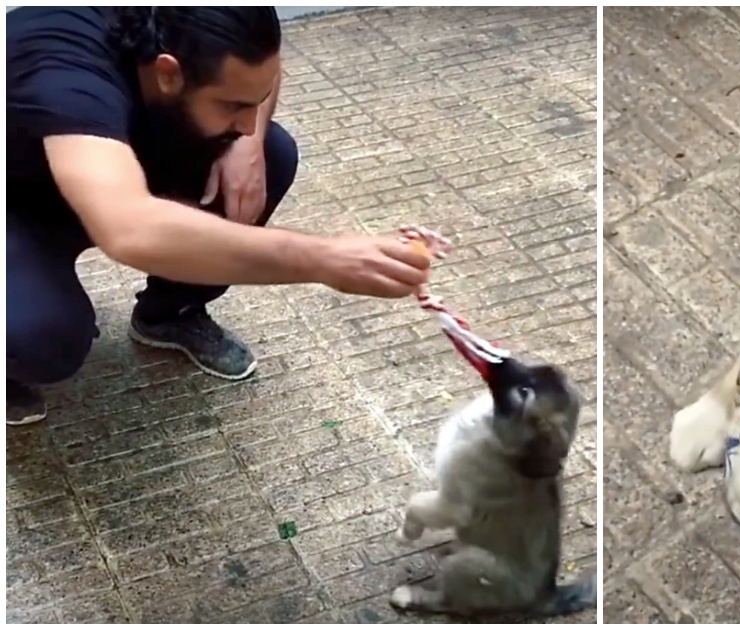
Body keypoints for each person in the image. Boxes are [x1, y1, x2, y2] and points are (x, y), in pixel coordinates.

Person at [7, 7, 434, 426]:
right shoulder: (62, 64)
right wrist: (322, 258)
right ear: (168, 72)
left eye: (255, 103)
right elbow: (129, 227)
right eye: (234, 105)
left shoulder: (202, 25)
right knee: (39, 335)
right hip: (20, 201)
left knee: (271, 154)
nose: (247, 123)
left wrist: (250, 143)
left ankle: (170, 313)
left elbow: (261, 67)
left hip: (115, 174)